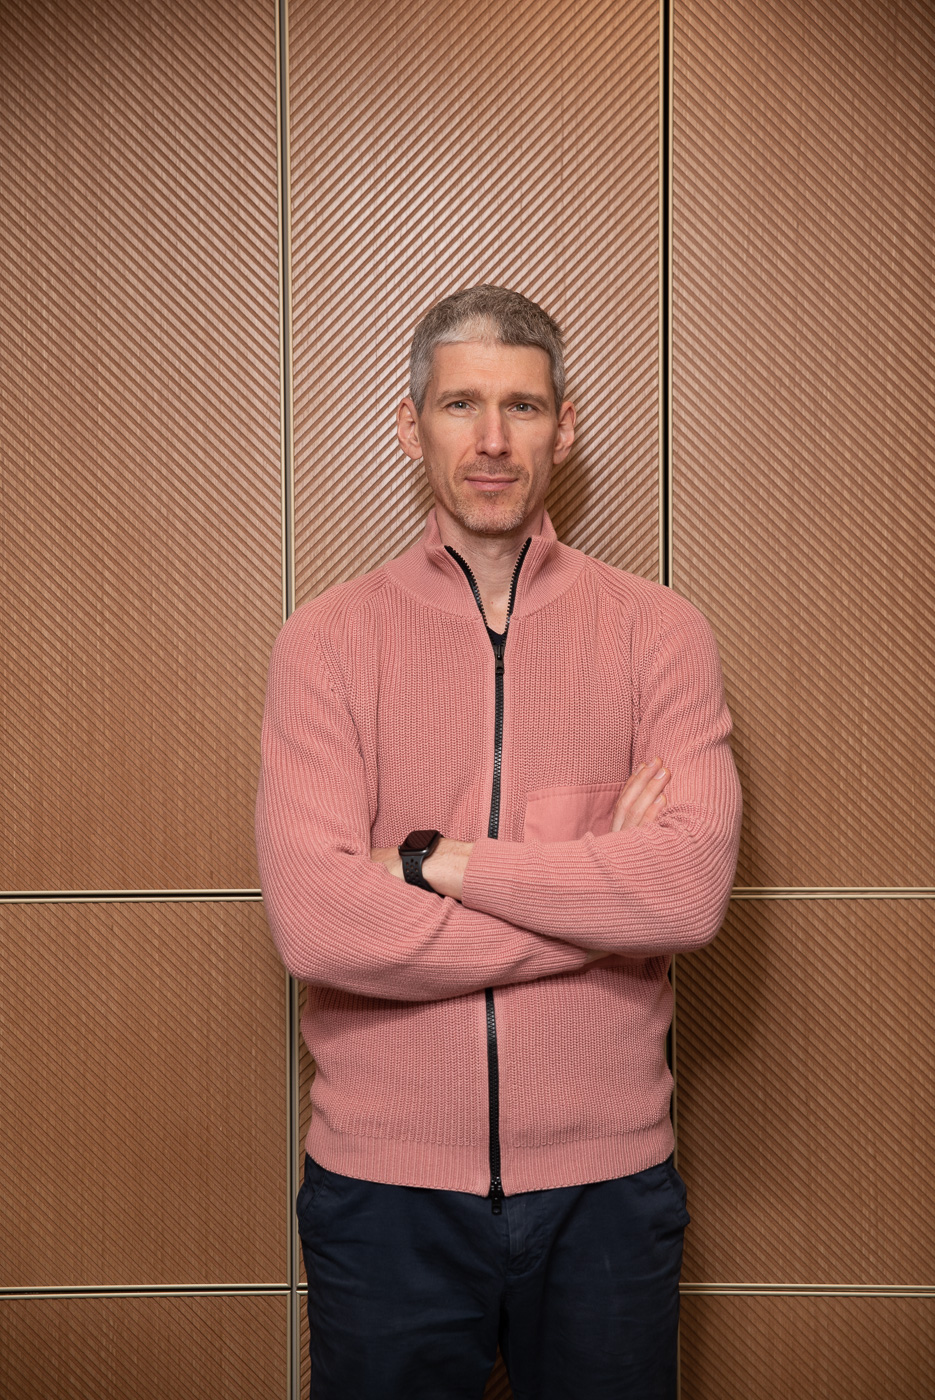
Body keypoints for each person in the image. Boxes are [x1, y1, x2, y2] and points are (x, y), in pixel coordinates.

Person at [255, 285, 742, 1400]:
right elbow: (319, 924)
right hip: (381, 1195)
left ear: (563, 428)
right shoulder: (323, 643)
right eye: (459, 404)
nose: (490, 440)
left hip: (607, 1190)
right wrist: (596, 903)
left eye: (520, 407)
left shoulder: (659, 633)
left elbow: (686, 893)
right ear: (408, 424)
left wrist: (432, 862)